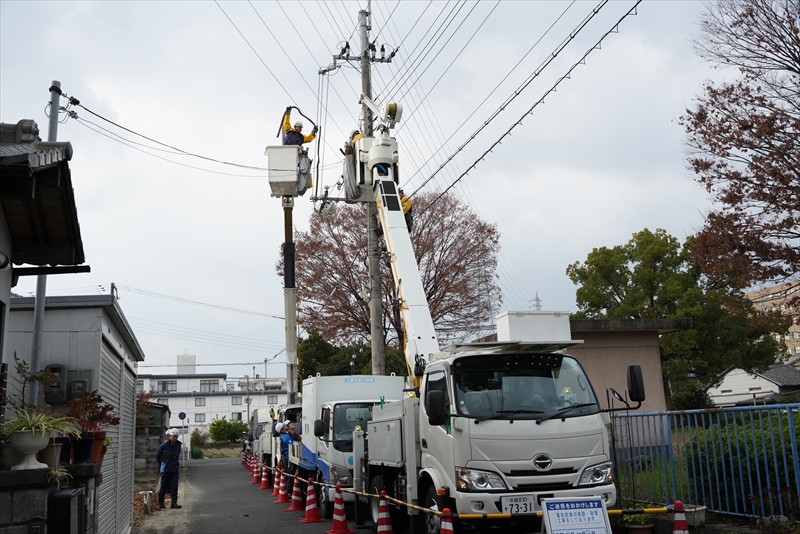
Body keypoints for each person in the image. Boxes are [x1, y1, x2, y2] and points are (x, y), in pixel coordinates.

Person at [156, 429, 183, 509]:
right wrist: (162, 465)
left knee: (174, 486)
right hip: (166, 469)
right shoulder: (164, 445)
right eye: (174, 436)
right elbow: (158, 456)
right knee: (164, 486)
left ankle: (174, 502)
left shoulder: (178, 445)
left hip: (174, 468)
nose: (175, 438)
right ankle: (161, 501)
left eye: (176, 437)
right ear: (170, 436)